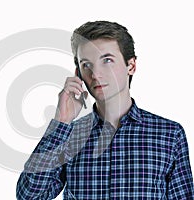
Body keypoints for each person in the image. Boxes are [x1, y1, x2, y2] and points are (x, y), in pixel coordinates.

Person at [16, 21, 194, 199]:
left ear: (131, 66)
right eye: (86, 65)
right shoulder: (69, 135)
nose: (95, 74)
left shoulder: (169, 134)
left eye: (107, 60)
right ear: (78, 74)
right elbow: (29, 196)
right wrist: (61, 121)